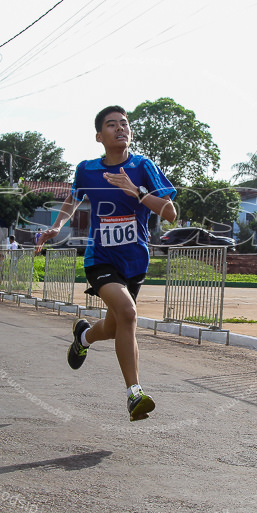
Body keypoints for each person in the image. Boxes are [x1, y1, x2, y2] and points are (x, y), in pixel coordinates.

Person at [36, 105, 177, 422]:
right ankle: (134, 394)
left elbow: (170, 213)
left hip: (135, 262)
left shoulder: (142, 167)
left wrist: (137, 191)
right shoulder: (87, 169)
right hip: (100, 258)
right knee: (128, 313)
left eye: (124, 124)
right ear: (100, 135)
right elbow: (74, 198)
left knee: (116, 327)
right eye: (112, 125)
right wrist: (57, 226)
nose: (120, 128)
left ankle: (83, 337)